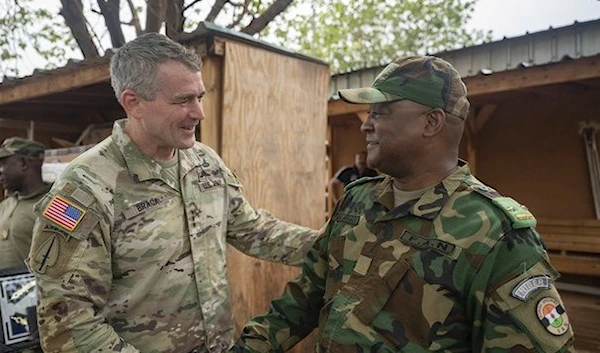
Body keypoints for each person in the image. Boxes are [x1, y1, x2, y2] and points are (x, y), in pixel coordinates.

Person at [231, 56, 575, 352]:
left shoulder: (495, 234)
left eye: (381, 111)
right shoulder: (358, 199)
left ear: (431, 122)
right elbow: (305, 298)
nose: (366, 125)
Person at [26, 33, 319, 353]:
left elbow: (254, 231)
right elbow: (69, 326)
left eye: (200, 97)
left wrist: (337, 242)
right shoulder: (85, 189)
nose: (199, 113)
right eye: (183, 100)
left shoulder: (204, 162)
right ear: (133, 103)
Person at [0, 137, 50, 270]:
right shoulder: (5, 205)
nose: (0, 171)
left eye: (3, 164)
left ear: (23, 163)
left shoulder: (56, 205)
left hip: (37, 289)